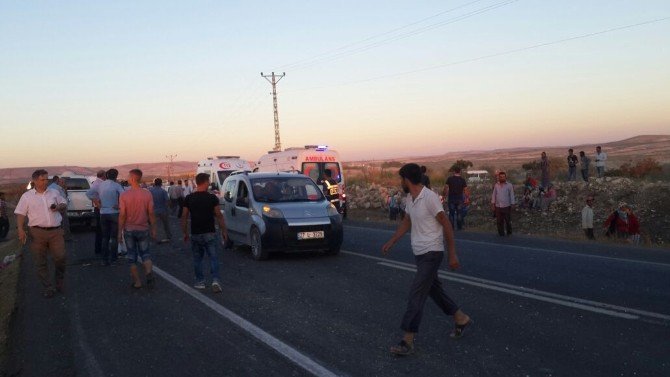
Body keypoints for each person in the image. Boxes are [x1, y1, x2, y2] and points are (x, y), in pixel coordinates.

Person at [381, 163, 471, 356]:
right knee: (433, 290)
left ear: (407, 179)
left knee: (417, 292)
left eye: (401, 179)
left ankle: (407, 340)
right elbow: (407, 221)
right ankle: (460, 318)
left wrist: (452, 253)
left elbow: (446, 223)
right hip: (420, 253)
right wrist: (392, 241)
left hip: (433, 252)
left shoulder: (429, 198)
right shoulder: (410, 198)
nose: (401, 182)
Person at [14, 169, 68, 297]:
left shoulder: (54, 192)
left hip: (55, 231)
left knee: (60, 257)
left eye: (47, 179)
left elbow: (63, 203)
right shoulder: (27, 197)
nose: (45, 182)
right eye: (42, 179)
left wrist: (59, 207)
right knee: (40, 261)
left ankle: (59, 279)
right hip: (37, 233)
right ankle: (48, 287)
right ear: (34, 181)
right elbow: (21, 214)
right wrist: (20, 230)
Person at [181, 173, 228, 292]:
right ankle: (215, 280)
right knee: (213, 257)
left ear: (197, 182)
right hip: (210, 232)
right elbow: (219, 215)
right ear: (206, 182)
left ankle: (200, 281)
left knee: (197, 259)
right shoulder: (212, 198)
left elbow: (184, 216)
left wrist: (185, 232)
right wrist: (224, 231)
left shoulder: (189, 198)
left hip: (196, 233)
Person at [118, 169, 157, 289]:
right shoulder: (147, 194)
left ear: (133, 179)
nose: (128, 179)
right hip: (143, 228)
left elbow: (122, 215)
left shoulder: (124, 195)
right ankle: (148, 272)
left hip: (129, 229)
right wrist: (154, 229)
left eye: (129, 177)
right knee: (145, 254)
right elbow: (151, 213)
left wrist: (119, 232)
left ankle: (137, 282)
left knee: (132, 257)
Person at [86, 169, 124, 266]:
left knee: (105, 238)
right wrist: (119, 205)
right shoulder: (116, 185)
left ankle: (104, 260)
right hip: (114, 212)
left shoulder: (100, 185)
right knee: (114, 238)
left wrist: (97, 202)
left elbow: (88, 193)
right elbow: (124, 196)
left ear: (106, 175)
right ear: (116, 176)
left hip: (103, 213)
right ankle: (113, 260)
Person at [491, 171, 515, 236]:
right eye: (500, 177)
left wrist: (513, 204)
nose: (502, 178)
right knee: (499, 221)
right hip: (498, 206)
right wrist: (493, 204)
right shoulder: (496, 185)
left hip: (506, 206)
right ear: (499, 177)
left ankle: (509, 233)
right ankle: (501, 233)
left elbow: (512, 195)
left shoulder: (509, 185)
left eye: (503, 177)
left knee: (507, 221)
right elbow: (494, 195)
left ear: (505, 177)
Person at [149, 178, 172, 243]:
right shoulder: (163, 191)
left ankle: (154, 236)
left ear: (154, 183)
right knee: (166, 224)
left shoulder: (150, 191)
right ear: (161, 183)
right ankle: (168, 236)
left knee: (153, 224)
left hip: (153, 210)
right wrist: (167, 207)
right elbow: (168, 201)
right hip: (163, 210)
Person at [90, 170, 106, 255]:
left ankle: (99, 249)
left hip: (99, 208)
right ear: (103, 175)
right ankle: (100, 249)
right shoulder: (98, 184)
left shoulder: (96, 183)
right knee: (102, 230)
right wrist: (98, 204)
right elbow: (90, 195)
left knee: (100, 230)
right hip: (100, 209)